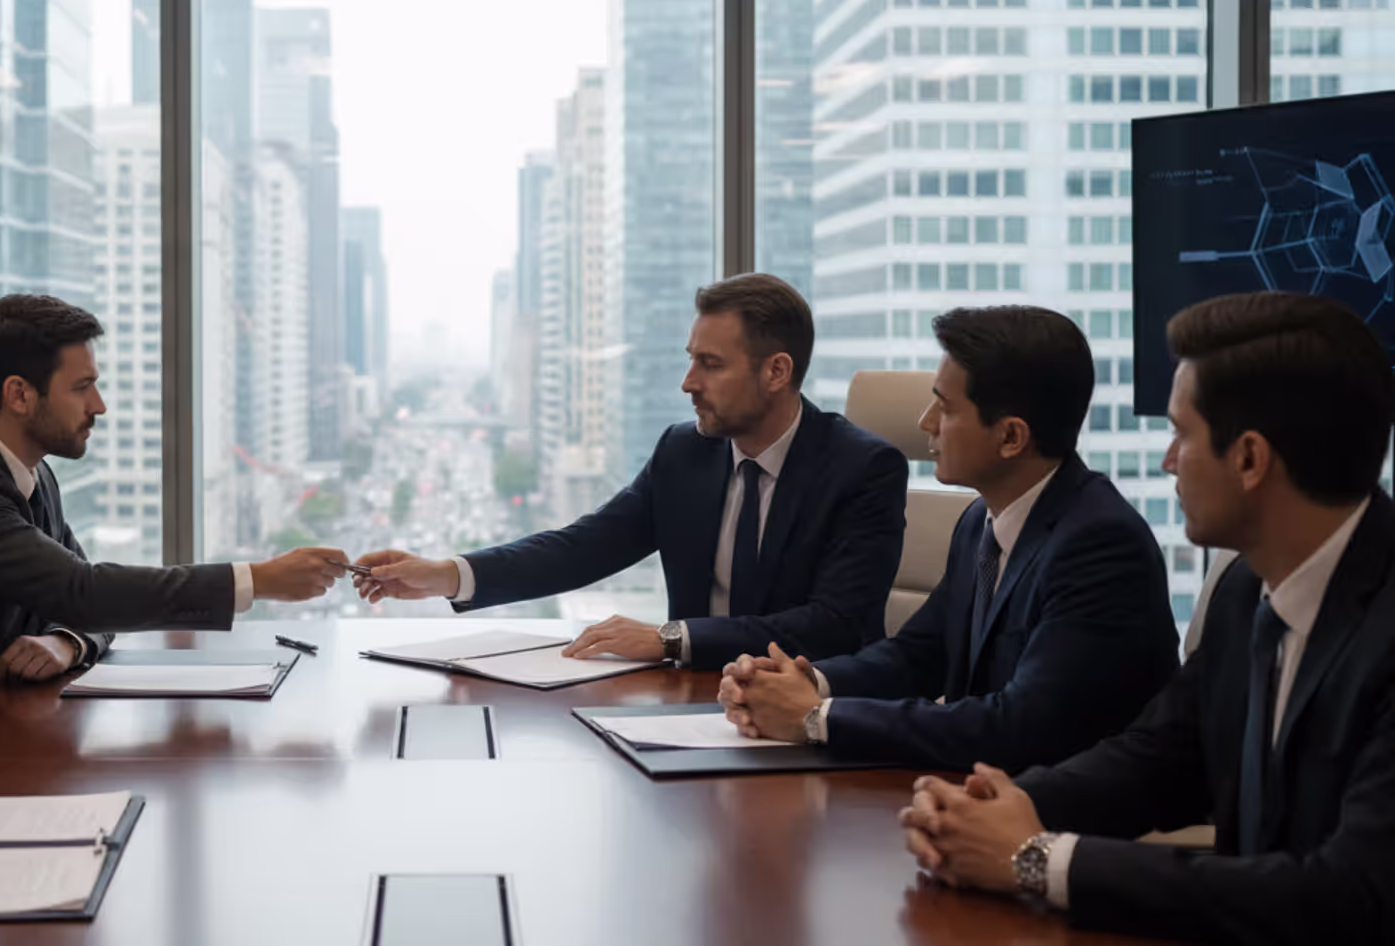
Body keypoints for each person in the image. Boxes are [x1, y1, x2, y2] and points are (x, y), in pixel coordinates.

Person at [898, 291, 1395, 945]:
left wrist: (1037, 858)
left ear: (1249, 458)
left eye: (1180, 433)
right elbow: (1160, 758)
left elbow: (1344, 895)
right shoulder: (1247, 589)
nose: (1166, 461)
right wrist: (1001, 809)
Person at [0, 295, 347, 748]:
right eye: (81, 388)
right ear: (19, 395)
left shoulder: (30, 474)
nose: (98, 406)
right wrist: (257, 579)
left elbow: (82, 603)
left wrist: (67, 642)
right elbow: (84, 592)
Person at [355, 274, 907, 670]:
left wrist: (669, 638)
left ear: (776, 371)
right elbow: (585, 546)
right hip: (688, 705)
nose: (688, 382)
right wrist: (446, 574)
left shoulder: (863, 470)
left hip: (806, 714)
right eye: (691, 359)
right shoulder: (685, 452)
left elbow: (833, 625)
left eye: (710, 364)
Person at [720, 306, 1178, 772]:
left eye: (947, 407)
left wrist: (818, 718)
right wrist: (805, 681)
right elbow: (919, 654)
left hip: (1075, 821)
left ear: (1011, 437)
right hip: (978, 793)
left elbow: (1021, 728)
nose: (926, 422)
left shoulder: (1099, 545)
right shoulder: (981, 518)